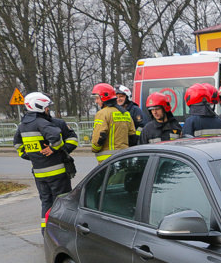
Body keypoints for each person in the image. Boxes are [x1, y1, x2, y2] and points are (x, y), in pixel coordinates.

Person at [12, 92, 76, 230]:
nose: (48, 109)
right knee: (63, 202)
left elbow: (17, 145)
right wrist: (54, 149)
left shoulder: (22, 125)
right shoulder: (43, 123)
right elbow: (56, 137)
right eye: (47, 107)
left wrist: (31, 155)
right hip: (57, 172)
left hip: (39, 174)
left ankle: (46, 230)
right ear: (39, 106)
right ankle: (61, 231)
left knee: (46, 202)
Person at [90, 83, 134, 162]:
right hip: (124, 158)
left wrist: (94, 149)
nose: (96, 101)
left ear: (104, 97)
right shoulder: (126, 113)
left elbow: (98, 137)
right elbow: (132, 136)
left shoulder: (102, 113)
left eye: (97, 98)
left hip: (107, 161)